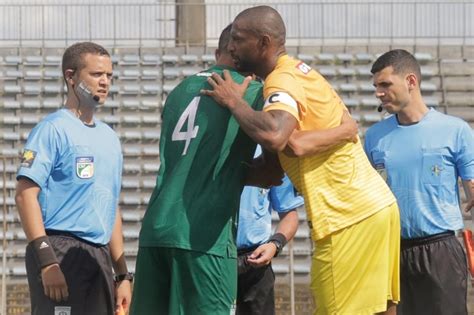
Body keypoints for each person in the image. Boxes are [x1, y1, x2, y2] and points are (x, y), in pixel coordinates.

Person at [130, 24, 356, 315]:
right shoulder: (251, 91)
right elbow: (272, 171)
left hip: (155, 232)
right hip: (205, 238)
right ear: (241, 50)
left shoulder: (179, 91)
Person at [201, 6, 400, 315]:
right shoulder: (301, 73)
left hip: (347, 217)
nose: (231, 46)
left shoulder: (281, 80)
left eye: (239, 39)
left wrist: (233, 102)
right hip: (375, 209)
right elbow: (272, 170)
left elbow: (279, 136)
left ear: (264, 43)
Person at [15, 42, 131, 315]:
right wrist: (47, 261)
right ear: (71, 77)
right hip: (60, 250)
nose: (104, 82)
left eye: (109, 76)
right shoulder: (52, 129)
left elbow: (110, 205)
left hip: (98, 256)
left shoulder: (110, 138)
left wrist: (123, 275)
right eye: (96, 74)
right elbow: (24, 194)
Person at [364, 49, 474, 315]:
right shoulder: (374, 137)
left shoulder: (455, 130)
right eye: (376, 86)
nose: (379, 92)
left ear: (411, 82)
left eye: (385, 84)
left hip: (440, 251)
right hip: (390, 251)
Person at [236, 146, 303, 315]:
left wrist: (275, 244)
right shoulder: (213, 143)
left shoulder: (272, 153)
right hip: (214, 259)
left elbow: (290, 216)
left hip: (255, 262)